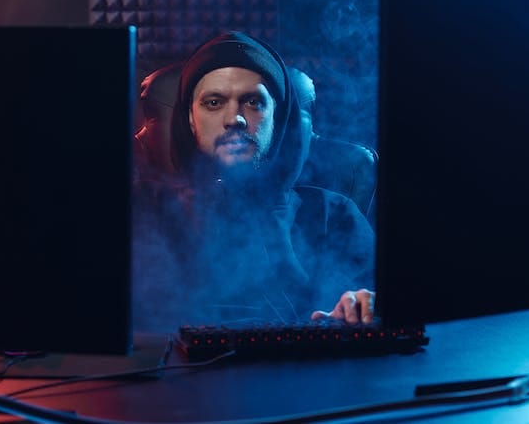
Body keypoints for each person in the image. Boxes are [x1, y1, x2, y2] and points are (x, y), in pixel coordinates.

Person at [132, 31, 374, 331]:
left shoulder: (331, 213)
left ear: (279, 117)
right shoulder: (144, 211)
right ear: (190, 119)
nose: (235, 118)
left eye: (253, 102)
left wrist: (366, 304)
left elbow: (373, 300)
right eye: (214, 102)